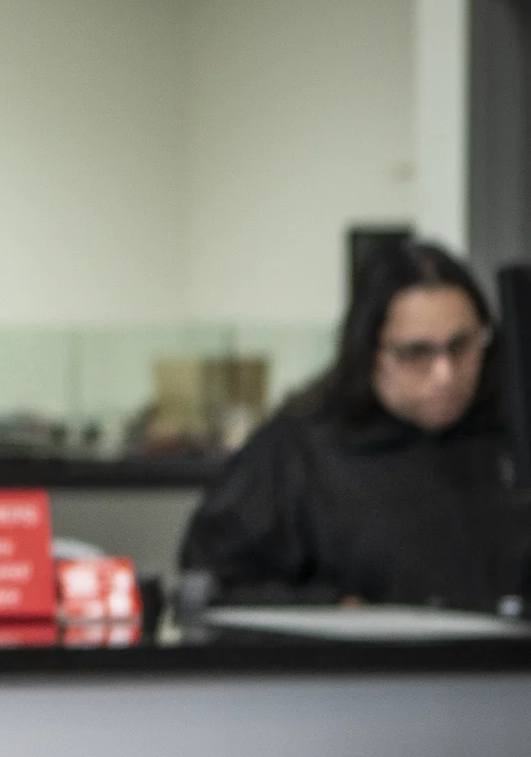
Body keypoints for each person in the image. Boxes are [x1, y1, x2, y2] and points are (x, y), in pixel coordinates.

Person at [182, 238, 530, 609]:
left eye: (462, 346)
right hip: (360, 662)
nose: (445, 373)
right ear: (370, 350)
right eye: (416, 352)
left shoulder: (512, 434)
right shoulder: (299, 453)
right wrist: (330, 608)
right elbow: (212, 582)